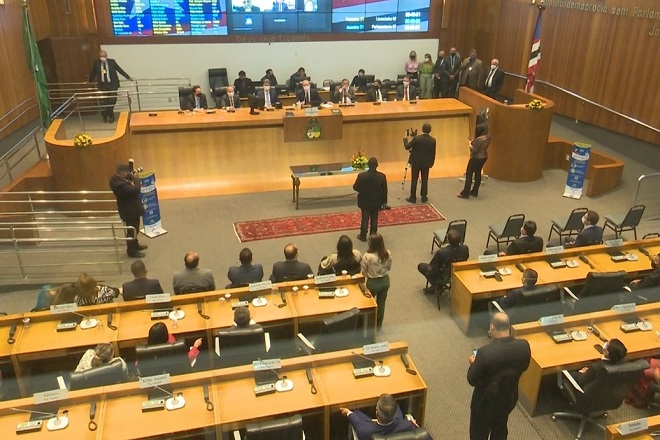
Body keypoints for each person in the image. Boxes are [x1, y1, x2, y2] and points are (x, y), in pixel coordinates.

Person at [468, 312, 531, 440]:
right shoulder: (524, 346)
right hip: (507, 399)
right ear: (509, 326)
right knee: (500, 429)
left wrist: (473, 364)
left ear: (492, 327)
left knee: (478, 435)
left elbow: (472, 379)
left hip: (484, 405)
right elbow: (524, 367)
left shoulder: (485, 353)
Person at [340, 393, 426, 440]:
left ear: (376, 413)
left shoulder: (364, 431)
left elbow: (357, 422)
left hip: (371, 425)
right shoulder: (408, 426)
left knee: (357, 413)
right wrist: (412, 423)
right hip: (397, 427)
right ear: (394, 414)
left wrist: (348, 413)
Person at [109, 164, 146, 258]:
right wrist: (136, 179)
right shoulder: (119, 185)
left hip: (132, 208)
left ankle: (135, 245)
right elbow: (135, 190)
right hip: (129, 210)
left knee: (135, 229)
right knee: (131, 231)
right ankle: (131, 251)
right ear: (124, 173)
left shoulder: (117, 179)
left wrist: (131, 177)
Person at [88, 50, 133, 123]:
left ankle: (105, 113)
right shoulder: (96, 63)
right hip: (103, 85)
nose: (102, 57)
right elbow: (93, 72)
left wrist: (128, 77)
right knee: (106, 101)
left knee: (113, 100)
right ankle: (111, 116)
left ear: (106, 56)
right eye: (101, 56)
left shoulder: (112, 62)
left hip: (113, 84)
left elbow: (120, 70)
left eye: (104, 56)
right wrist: (90, 81)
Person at [361, 234, 392, 331]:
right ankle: (378, 325)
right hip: (385, 281)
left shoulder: (367, 256)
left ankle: (368, 324)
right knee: (381, 304)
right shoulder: (387, 254)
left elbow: (363, 272)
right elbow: (389, 267)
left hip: (373, 283)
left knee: (368, 304)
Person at [353, 157, 388, 242]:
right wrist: (384, 202)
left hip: (364, 200)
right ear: (377, 165)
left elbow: (355, 187)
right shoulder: (382, 176)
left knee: (365, 218)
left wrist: (363, 190)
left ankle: (363, 235)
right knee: (374, 218)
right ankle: (373, 235)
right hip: (376, 201)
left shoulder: (361, 176)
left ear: (368, 165)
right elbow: (385, 190)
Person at [404, 123, 436, 204]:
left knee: (414, 180)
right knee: (425, 180)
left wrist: (405, 139)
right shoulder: (433, 140)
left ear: (422, 129)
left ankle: (413, 197)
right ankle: (424, 197)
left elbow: (407, 147)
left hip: (416, 163)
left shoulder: (417, 138)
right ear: (430, 130)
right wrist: (431, 163)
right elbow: (433, 153)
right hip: (426, 163)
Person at [458, 124, 491, 198]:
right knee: (478, 173)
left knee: (469, 174)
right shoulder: (488, 137)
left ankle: (465, 193)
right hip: (484, 157)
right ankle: (475, 191)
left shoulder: (479, 139)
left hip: (476, 158)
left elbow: (474, 151)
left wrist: (469, 143)